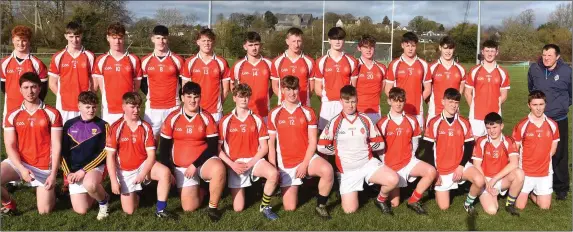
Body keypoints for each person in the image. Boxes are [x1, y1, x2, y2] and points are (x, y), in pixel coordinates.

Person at [317, 85, 399, 214]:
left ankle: (380, 200)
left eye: (353, 101)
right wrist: (338, 151)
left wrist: (365, 148)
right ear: (341, 102)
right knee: (350, 210)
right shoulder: (334, 122)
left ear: (357, 101)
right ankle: (343, 183)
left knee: (393, 179)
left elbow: (380, 143)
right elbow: (321, 146)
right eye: (347, 102)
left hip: (367, 164)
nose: (350, 105)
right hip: (348, 170)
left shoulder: (365, 119)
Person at [267, 75, 334, 219]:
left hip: (306, 159)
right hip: (286, 164)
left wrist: (304, 165)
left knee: (327, 170)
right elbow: (271, 145)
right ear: (282, 90)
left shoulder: (308, 112)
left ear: (299, 89)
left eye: (295, 89)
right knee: (290, 208)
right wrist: (274, 168)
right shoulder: (274, 113)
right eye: (288, 89)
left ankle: (321, 205)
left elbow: (312, 142)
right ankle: (299, 185)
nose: (292, 93)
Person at [159, 82, 226, 222]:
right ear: (182, 97)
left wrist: (195, 165)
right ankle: (203, 188)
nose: (192, 100)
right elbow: (163, 151)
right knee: (189, 207)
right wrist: (170, 172)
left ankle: (213, 208)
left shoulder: (207, 117)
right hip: (182, 167)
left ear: (200, 98)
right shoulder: (172, 118)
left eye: (196, 96)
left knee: (219, 169)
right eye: (189, 96)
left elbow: (213, 148)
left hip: (201, 164)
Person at [1, 72, 62, 215]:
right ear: (20, 90)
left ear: (39, 88)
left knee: (44, 211)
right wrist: (21, 169)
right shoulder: (12, 114)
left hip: (43, 166)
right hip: (19, 163)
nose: (30, 91)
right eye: (26, 87)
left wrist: (53, 174)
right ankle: (8, 203)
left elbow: (57, 144)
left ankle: (53, 190)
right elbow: (9, 145)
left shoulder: (52, 113)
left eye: (33, 87)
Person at [105, 92, 174, 218]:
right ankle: (138, 193)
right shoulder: (116, 128)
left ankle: (160, 210)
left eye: (138, 107)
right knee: (129, 211)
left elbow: (152, 155)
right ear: (123, 107)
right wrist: (114, 181)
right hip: (125, 171)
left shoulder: (146, 127)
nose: (136, 110)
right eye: (132, 107)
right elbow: (110, 157)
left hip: (143, 165)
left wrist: (142, 174)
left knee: (165, 172)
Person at [218, 83, 280, 220]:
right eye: (240, 96)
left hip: (253, 161)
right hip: (235, 165)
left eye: (246, 96)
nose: (244, 100)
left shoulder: (257, 119)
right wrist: (233, 165)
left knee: (273, 174)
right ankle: (247, 189)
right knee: (238, 208)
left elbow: (264, 147)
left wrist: (250, 164)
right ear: (234, 98)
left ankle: (264, 206)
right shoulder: (225, 120)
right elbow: (218, 149)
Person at [377, 87, 437, 215]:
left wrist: (410, 157)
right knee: (395, 203)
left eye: (401, 100)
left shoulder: (412, 120)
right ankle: (381, 195)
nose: (398, 103)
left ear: (404, 101)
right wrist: (386, 164)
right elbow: (379, 148)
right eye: (395, 100)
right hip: (390, 165)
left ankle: (413, 200)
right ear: (389, 101)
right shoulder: (382, 123)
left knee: (431, 172)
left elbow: (415, 143)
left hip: (408, 161)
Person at [424, 88, 484, 215]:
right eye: (450, 101)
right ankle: (436, 188)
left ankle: (468, 204)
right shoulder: (434, 122)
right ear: (443, 102)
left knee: (479, 180)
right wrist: (435, 173)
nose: (453, 105)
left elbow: (469, 146)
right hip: (442, 169)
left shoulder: (464, 122)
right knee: (444, 207)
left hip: (459, 166)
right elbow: (428, 150)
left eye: (456, 102)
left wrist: (461, 166)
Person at [527, 44, 572, 200]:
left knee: (559, 153)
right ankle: (533, 183)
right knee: (536, 152)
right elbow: (531, 89)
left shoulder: (567, 71)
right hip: (539, 119)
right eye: (544, 55)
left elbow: (571, 94)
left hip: (559, 119)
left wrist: (561, 107)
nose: (546, 58)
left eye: (550, 55)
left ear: (557, 57)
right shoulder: (534, 69)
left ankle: (561, 187)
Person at [60, 91, 110, 220]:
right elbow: (63, 152)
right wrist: (68, 173)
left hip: (95, 167)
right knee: (81, 210)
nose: (91, 110)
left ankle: (104, 203)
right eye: (87, 107)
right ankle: (99, 192)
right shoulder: (69, 124)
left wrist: (83, 171)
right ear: (79, 106)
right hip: (75, 170)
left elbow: (104, 152)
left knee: (91, 184)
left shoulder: (103, 125)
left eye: (94, 107)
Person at [513, 90, 560, 210]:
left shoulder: (552, 124)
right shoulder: (522, 125)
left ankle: (532, 194)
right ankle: (524, 191)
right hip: (526, 173)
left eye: (541, 104)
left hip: (545, 173)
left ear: (545, 104)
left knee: (544, 207)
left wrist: (543, 160)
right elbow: (515, 150)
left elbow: (553, 148)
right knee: (519, 206)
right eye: (535, 105)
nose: (538, 108)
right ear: (529, 105)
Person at [472, 112, 523, 216]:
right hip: (485, 180)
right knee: (492, 210)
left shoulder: (509, 141)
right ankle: (488, 194)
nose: (492, 131)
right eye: (488, 128)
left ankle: (509, 204)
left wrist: (495, 179)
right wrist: (487, 184)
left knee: (519, 173)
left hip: (500, 179)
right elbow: (476, 165)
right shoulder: (481, 141)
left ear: (502, 126)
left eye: (495, 127)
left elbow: (514, 163)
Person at [92, 22, 142, 124]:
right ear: (108, 38)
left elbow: (136, 87)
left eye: (120, 38)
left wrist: (130, 103)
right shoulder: (101, 60)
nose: (117, 41)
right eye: (114, 38)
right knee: (109, 139)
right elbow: (96, 87)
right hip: (108, 111)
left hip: (129, 110)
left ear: (124, 38)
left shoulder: (134, 59)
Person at [140, 25, 184, 139]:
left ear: (168, 39)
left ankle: (170, 157)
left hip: (173, 107)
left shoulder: (177, 60)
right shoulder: (145, 61)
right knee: (151, 140)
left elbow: (183, 84)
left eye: (164, 38)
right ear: (152, 39)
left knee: (174, 139)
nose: (161, 41)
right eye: (158, 38)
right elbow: (143, 84)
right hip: (152, 108)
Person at [48, 21, 96, 124]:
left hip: (84, 105)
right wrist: (62, 96)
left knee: (84, 135)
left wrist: (88, 99)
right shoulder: (58, 57)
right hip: (64, 106)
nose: (74, 40)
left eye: (77, 36)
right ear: (66, 36)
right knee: (65, 136)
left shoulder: (89, 56)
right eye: (71, 36)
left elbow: (94, 82)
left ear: (82, 36)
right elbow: (52, 83)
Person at [181, 28, 231, 123]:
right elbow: (185, 88)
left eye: (209, 40)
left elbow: (226, 89)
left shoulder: (222, 62)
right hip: (194, 110)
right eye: (203, 40)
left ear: (213, 42)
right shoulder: (189, 62)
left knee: (214, 138)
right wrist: (191, 106)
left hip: (215, 113)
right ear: (198, 42)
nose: (206, 43)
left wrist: (218, 104)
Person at [314, 27, 359, 131]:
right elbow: (317, 88)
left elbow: (353, 87)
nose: (337, 41)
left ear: (344, 41)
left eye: (340, 38)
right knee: (324, 139)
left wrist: (347, 102)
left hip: (345, 104)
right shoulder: (321, 61)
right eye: (334, 38)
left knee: (345, 135)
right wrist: (327, 98)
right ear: (329, 40)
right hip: (327, 105)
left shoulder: (352, 61)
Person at [384, 32, 431, 130]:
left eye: (413, 45)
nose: (410, 48)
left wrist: (418, 99)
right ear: (402, 45)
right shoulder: (394, 64)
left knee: (415, 142)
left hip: (417, 110)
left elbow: (428, 89)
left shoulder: (424, 65)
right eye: (407, 45)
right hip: (399, 111)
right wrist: (396, 102)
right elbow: (388, 88)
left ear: (416, 46)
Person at [1, 25, 48, 122]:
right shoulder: (4, 63)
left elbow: (43, 89)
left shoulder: (37, 64)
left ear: (29, 41)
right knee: (10, 137)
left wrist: (33, 103)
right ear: (13, 40)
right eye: (18, 40)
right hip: (10, 110)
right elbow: (3, 87)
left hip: (32, 111)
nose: (20, 43)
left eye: (24, 40)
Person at [464, 39, 510, 138]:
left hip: (495, 116)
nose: (490, 54)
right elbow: (467, 93)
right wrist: (474, 107)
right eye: (487, 51)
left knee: (493, 145)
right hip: (476, 117)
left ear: (497, 52)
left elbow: (504, 95)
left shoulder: (503, 72)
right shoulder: (474, 70)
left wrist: (495, 105)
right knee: (476, 147)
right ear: (482, 52)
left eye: (492, 51)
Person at [230, 31, 272, 121]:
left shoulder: (269, 64)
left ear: (260, 45)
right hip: (244, 112)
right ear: (245, 46)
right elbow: (233, 85)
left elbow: (275, 85)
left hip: (264, 112)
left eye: (256, 44)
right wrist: (239, 98)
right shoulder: (238, 65)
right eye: (250, 45)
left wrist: (267, 96)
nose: (254, 48)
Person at [271, 27, 316, 107]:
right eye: (293, 41)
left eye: (299, 41)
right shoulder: (277, 61)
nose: (296, 45)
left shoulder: (310, 62)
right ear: (287, 41)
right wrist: (289, 99)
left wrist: (300, 99)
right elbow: (275, 87)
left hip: (303, 106)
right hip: (284, 106)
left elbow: (311, 88)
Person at [427, 36, 465, 120]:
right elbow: (425, 90)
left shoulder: (461, 69)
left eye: (450, 48)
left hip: (454, 114)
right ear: (440, 48)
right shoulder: (431, 68)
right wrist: (431, 105)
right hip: (435, 113)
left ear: (454, 49)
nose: (448, 51)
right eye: (445, 48)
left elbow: (460, 93)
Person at [353, 35, 387, 123]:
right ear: (359, 48)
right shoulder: (355, 66)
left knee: (375, 136)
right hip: (358, 110)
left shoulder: (382, 67)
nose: (369, 50)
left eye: (371, 47)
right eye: (365, 47)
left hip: (375, 110)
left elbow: (381, 89)